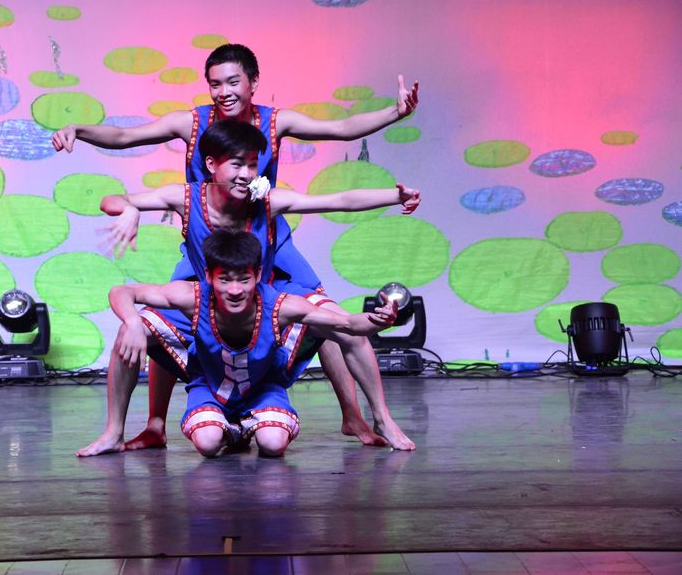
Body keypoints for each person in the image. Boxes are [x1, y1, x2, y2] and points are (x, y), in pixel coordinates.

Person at [54, 43, 419, 447]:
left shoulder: (272, 138)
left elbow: (341, 141)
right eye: (215, 84)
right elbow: (126, 136)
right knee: (160, 315)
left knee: (326, 314)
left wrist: (395, 119)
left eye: (233, 82)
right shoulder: (191, 144)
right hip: (206, 242)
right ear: (212, 163)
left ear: (253, 83)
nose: (224, 92)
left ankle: (362, 417)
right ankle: (153, 424)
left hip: (263, 236)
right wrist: (81, 134)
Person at [78, 229, 403, 458]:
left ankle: (355, 418)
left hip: (262, 389)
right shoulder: (193, 296)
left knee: (273, 444)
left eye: (244, 280)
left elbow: (346, 324)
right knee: (207, 443)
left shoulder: (280, 304)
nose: (234, 290)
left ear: (258, 276)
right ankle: (204, 428)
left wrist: (378, 320)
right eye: (225, 280)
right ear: (209, 277)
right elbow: (123, 292)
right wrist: (132, 322)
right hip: (212, 389)